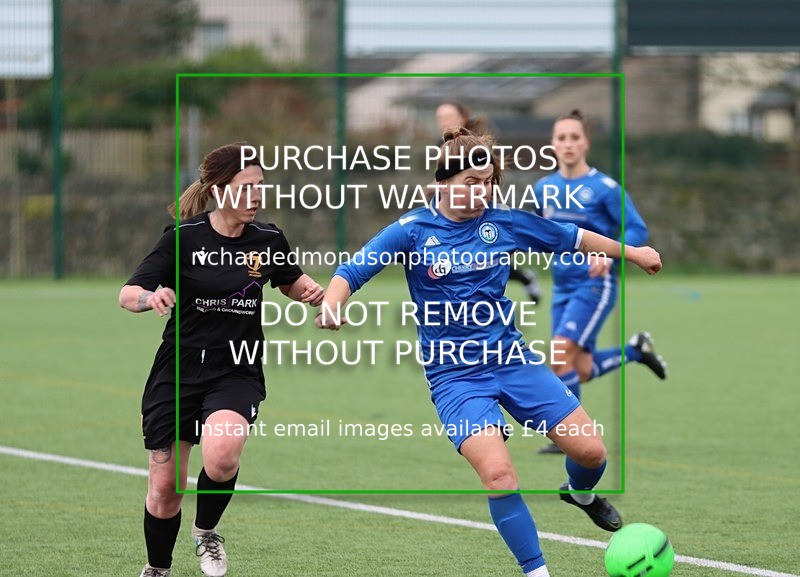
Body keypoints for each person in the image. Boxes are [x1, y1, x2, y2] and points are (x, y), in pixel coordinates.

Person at [316, 127, 663, 577]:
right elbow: (354, 269)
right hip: (455, 378)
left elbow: (574, 238)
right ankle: (536, 572)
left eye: (488, 183)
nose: (481, 193)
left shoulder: (504, 223)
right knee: (499, 475)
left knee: (592, 453)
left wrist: (633, 253)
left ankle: (580, 493)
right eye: (470, 184)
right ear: (443, 182)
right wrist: (332, 302)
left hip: (512, 361)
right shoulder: (414, 229)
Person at [119, 142, 324, 577]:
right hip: (178, 370)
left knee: (223, 455)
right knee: (164, 489)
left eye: (260, 187)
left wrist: (314, 294)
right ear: (218, 189)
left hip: (236, 367)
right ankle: (158, 568)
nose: (256, 196)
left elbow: (290, 280)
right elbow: (127, 293)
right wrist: (150, 296)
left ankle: (206, 532)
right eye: (246, 187)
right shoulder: (182, 238)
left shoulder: (268, 239)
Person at [533, 110, 667, 455]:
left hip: (595, 284)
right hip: (561, 286)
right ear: (552, 143)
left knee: (559, 354)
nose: (568, 144)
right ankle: (636, 351)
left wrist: (608, 255)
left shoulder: (604, 188)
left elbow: (636, 228)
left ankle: (569, 436)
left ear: (585, 143)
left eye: (574, 137)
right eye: (561, 137)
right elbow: (538, 232)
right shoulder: (543, 188)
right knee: (580, 368)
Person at [435, 100, 542, 302]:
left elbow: (487, 171)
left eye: (448, 117)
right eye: (440, 118)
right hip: (452, 211)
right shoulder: (443, 145)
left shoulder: (476, 142)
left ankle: (523, 280)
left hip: (479, 214)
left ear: (463, 117)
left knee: (484, 256)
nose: (443, 121)